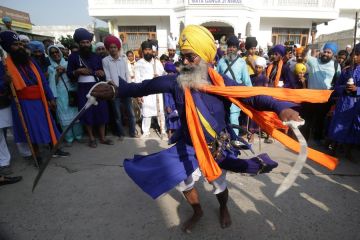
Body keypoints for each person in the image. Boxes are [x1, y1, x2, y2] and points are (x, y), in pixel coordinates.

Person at [90, 25, 322, 233]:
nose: (186, 63)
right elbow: (143, 87)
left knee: (218, 185)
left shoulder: (221, 83)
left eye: (192, 57)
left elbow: (255, 97)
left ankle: (223, 208)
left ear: (207, 58)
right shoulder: (175, 82)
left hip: (217, 147)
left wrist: (282, 109)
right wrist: (115, 91)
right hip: (190, 146)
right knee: (183, 182)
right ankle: (197, 211)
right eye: (183, 57)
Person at [0, 31, 68, 160]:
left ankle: (55, 149)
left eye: (20, 43)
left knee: (48, 125)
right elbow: (1, 86)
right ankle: (36, 156)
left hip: (40, 99)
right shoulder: (3, 65)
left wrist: (50, 98)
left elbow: (42, 80)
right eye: (15, 44)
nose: (20, 47)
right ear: (7, 47)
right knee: (30, 130)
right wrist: (5, 81)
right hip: (22, 103)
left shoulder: (30, 61)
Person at [67, 28, 112, 148]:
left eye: (87, 42)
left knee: (101, 110)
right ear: (79, 43)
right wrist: (77, 71)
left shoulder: (96, 56)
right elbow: (69, 74)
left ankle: (102, 137)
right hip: (82, 88)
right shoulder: (73, 57)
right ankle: (92, 138)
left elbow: (102, 71)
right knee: (86, 112)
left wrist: (101, 72)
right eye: (83, 42)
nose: (85, 44)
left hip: (97, 86)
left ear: (90, 42)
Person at [301, 42, 341, 142]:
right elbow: (303, 55)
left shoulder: (336, 66)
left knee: (320, 119)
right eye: (325, 51)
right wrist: (312, 42)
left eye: (329, 52)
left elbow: (338, 81)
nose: (326, 54)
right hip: (310, 96)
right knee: (307, 119)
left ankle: (317, 139)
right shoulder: (314, 61)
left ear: (333, 55)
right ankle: (304, 139)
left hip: (324, 98)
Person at [327, 43, 360, 159]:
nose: (354, 57)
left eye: (357, 55)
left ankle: (349, 151)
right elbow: (337, 86)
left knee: (353, 128)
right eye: (353, 55)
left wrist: (357, 89)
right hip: (344, 102)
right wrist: (344, 88)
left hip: (356, 104)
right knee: (338, 126)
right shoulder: (346, 70)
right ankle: (334, 148)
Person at [47, 45, 83, 146]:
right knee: (63, 116)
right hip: (59, 95)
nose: (55, 54)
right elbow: (51, 83)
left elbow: (74, 78)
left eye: (56, 52)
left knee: (75, 114)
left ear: (60, 52)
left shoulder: (68, 64)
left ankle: (79, 135)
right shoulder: (50, 68)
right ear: (50, 56)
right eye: (52, 53)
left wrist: (66, 71)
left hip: (71, 93)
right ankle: (69, 138)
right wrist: (57, 73)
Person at [102, 35, 136, 139]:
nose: (113, 49)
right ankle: (121, 133)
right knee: (117, 114)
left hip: (125, 90)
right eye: (111, 47)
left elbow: (127, 74)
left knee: (131, 113)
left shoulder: (123, 59)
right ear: (108, 48)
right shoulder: (105, 60)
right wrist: (116, 88)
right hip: (114, 90)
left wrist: (129, 87)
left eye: (114, 47)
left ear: (118, 48)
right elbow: (107, 77)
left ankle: (132, 132)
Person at [217, 35, 252, 134]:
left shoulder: (242, 63)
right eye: (230, 46)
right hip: (223, 98)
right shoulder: (221, 62)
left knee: (233, 121)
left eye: (234, 47)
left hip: (235, 98)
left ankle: (234, 144)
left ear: (237, 48)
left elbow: (247, 81)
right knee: (222, 122)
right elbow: (216, 78)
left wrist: (252, 97)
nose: (231, 49)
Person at [134, 40, 166, 139]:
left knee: (160, 110)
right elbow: (137, 79)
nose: (148, 52)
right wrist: (139, 94)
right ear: (143, 51)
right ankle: (146, 131)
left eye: (149, 50)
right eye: (146, 50)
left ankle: (163, 130)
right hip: (146, 91)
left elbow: (164, 74)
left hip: (157, 91)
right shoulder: (138, 63)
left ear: (152, 51)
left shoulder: (157, 63)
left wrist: (159, 76)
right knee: (146, 112)